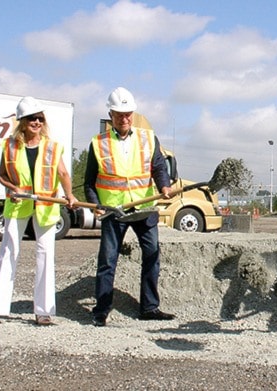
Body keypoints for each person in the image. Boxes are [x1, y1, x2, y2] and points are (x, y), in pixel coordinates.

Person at [0, 96, 77, 327]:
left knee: (45, 255)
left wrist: (70, 195)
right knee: (8, 253)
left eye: (39, 118)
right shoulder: (10, 145)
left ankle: (43, 311)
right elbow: (1, 175)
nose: (36, 122)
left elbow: (63, 173)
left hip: (45, 206)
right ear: (22, 121)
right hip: (17, 205)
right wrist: (12, 188)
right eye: (31, 118)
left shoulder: (52, 147)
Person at [84, 87, 174, 327]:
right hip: (115, 211)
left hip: (144, 208)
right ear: (111, 114)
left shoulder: (148, 137)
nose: (124, 118)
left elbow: (158, 167)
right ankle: (101, 309)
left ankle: (149, 307)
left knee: (152, 254)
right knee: (108, 260)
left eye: (128, 114)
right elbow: (89, 181)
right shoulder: (98, 143)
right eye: (119, 114)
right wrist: (95, 205)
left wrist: (164, 187)